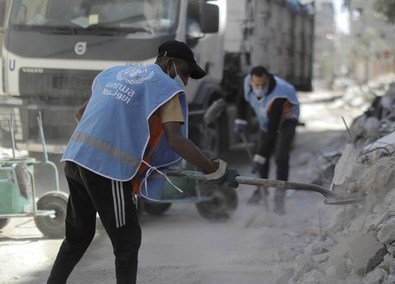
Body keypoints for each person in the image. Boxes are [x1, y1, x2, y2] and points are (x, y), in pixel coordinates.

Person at [48, 40, 239, 284]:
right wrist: (216, 171)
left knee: (78, 236)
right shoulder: (166, 89)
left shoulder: (117, 73)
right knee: (126, 241)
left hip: (75, 158)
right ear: (169, 64)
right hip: (108, 171)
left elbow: (80, 115)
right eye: (185, 72)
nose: (186, 80)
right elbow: (177, 141)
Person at [235, 66, 299, 215]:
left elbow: (272, 131)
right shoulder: (246, 82)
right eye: (256, 85)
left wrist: (260, 156)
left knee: (280, 157)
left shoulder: (280, 93)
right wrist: (241, 120)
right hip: (266, 119)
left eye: (263, 84)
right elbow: (241, 100)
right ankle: (261, 191)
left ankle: (279, 198)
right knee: (262, 155)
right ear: (251, 81)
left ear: (268, 80)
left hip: (285, 121)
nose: (260, 88)